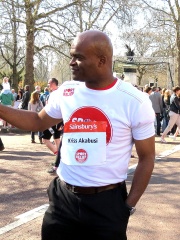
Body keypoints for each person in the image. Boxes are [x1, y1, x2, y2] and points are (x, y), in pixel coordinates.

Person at [0, 30, 155, 240]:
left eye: (79, 57)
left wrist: (127, 207)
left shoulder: (134, 100)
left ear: (102, 60)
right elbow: (37, 121)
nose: (71, 62)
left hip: (107, 205)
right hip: (63, 201)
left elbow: (147, 158)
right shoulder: (66, 92)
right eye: (71, 56)